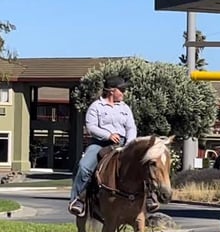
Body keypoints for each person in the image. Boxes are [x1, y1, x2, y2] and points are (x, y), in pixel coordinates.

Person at [68, 76, 158, 217]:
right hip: (100, 144)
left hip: (124, 143)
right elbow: (91, 127)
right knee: (84, 167)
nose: (124, 92)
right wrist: (107, 135)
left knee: (145, 163)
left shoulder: (125, 108)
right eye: (121, 89)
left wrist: (130, 144)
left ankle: (150, 196)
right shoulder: (96, 107)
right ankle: (78, 200)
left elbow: (131, 127)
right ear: (111, 91)